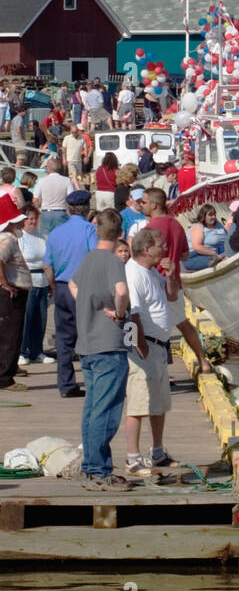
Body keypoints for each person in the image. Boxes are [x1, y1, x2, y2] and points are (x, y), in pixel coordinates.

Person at [67, 210, 132, 491]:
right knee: (106, 410)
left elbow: (72, 284)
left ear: (96, 232)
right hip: (109, 344)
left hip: (88, 345)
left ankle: (90, 465)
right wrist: (119, 312)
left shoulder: (89, 258)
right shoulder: (113, 261)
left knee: (93, 408)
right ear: (121, 234)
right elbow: (121, 291)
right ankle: (98, 471)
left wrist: (88, 304)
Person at [124, 226, 176, 477]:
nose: (164, 248)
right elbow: (131, 313)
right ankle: (132, 458)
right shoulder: (134, 273)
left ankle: (157, 451)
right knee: (137, 404)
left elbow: (172, 297)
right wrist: (137, 346)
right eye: (160, 244)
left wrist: (171, 275)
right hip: (144, 348)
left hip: (158, 346)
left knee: (159, 403)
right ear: (146, 249)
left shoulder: (152, 272)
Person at [142, 187, 211, 375]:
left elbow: (144, 257)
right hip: (174, 281)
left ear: (154, 204)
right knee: (183, 323)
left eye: (144, 202)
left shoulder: (150, 229)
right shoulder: (176, 224)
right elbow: (185, 254)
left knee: (152, 327)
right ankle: (203, 361)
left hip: (155, 282)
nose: (142, 205)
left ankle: (158, 369)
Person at [43, 190, 97, 398]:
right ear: (87, 208)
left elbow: (48, 265)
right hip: (83, 287)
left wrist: (54, 286)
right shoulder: (90, 231)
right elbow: (95, 258)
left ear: (68, 209)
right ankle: (91, 381)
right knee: (87, 336)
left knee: (64, 340)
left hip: (62, 286)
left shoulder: (56, 232)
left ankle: (66, 385)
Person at [0, 195, 31, 392]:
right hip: (11, 293)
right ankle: (5, 378)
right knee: (10, 335)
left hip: (13, 290)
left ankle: (6, 374)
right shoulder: (7, 238)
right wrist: (5, 283)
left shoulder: (7, 238)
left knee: (9, 334)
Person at [19, 205, 54, 366]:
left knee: (41, 319)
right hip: (27, 281)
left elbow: (48, 261)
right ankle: (22, 351)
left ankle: (37, 351)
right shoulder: (19, 237)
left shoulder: (42, 237)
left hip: (43, 280)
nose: (33, 222)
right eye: (30, 219)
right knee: (26, 319)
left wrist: (51, 283)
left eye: (35, 219)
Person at [32, 155, 74, 235]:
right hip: (61, 212)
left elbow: (35, 200)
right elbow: (71, 198)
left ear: (48, 168)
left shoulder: (42, 181)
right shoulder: (67, 180)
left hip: (46, 213)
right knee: (62, 237)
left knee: (45, 239)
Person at [182, 205, 228, 271]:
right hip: (196, 255)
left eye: (214, 214)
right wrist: (216, 254)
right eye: (210, 215)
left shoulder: (218, 224)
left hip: (219, 251)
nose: (214, 217)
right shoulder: (198, 226)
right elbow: (197, 247)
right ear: (203, 216)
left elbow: (227, 236)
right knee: (213, 261)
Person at [62, 123, 86, 188]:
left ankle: (70, 189)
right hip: (70, 160)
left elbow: (85, 148)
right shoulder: (67, 138)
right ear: (70, 132)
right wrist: (64, 159)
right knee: (74, 175)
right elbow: (63, 149)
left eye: (75, 132)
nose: (74, 134)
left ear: (78, 131)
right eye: (73, 132)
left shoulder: (82, 138)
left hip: (78, 160)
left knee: (77, 177)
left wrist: (86, 157)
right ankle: (79, 190)